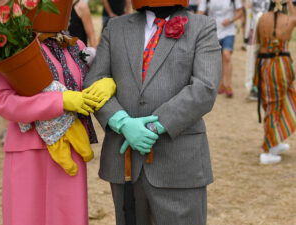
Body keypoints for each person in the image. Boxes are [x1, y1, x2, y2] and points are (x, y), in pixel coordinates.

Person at [84, 0, 222, 224]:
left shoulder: (202, 26)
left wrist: (155, 125)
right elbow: (95, 80)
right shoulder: (116, 27)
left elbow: (204, 88)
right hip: (125, 161)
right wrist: (122, 122)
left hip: (178, 162)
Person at [0, 1, 116, 224]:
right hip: (28, 150)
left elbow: (91, 81)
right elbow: (3, 101)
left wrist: (106, 82)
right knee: (27, 216)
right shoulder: (11, 47)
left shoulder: (75, 47)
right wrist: (59, 101)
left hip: (71, 147)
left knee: (67, 217)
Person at [254, 0, 296, 164]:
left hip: (263, 64)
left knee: (271, 104)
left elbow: (257, 42)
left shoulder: (261, 18)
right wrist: (290, 4)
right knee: (275, 105)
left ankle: (275, 140)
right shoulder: (289, 20)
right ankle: (268, 149)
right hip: (279, 65)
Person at [198, 0, 244, 98]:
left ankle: (228, 85)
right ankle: (221, 83)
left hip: (229, 31)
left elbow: (240, 11)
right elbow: (200, 13)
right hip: (212, 31)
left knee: (227, 56)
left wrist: (231, 20)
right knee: (216, 58)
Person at [243, 0, 270, 101]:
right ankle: (253, 88)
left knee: (267, 59)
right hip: (252, 31)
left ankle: (265, 88)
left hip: (269, 32)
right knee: (252, 60)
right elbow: (248, 10)